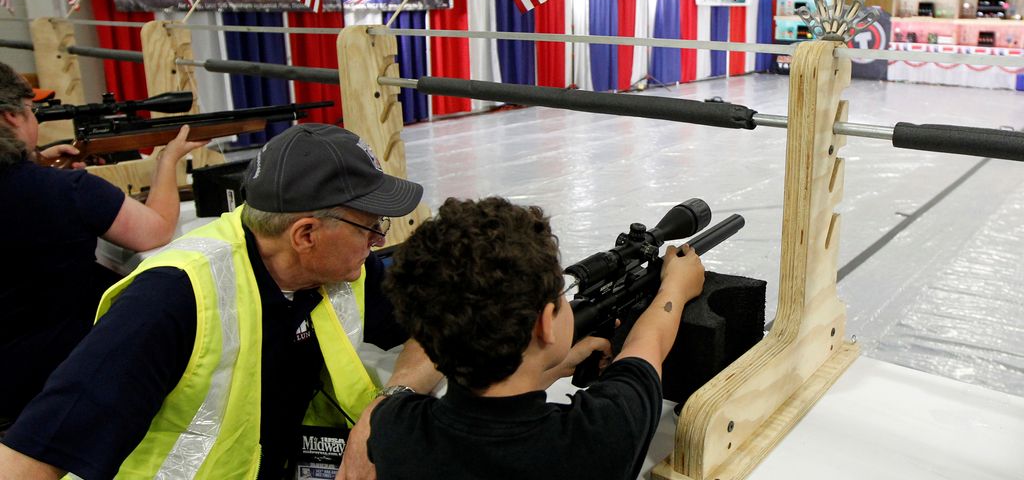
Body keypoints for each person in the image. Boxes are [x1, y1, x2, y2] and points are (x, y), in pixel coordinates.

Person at [0, 123, 442, 479]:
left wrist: (385, 409)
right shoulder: (172, 300)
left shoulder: (340, 272)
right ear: (306, 234)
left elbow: (444, 322)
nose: (380, 240)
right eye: (371, 226)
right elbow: (31, 455)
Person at [367, 197, 706, 480]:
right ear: (545, 324)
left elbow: (487, 420)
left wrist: (554, 370)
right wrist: (675, 286)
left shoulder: (394, 427)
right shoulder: (598, 435)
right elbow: (646, 348)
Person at [0, 60, 206, 431]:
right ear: (13, 117)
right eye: (33, 112)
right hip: (55, 385)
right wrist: (168, 160)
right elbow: (156, 230)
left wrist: (34, 163)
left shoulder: (53, 187)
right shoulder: (68, 192)